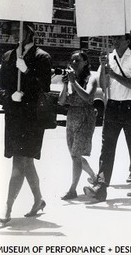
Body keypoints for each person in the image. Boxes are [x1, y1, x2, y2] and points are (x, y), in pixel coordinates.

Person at [0, 22, 51, 225]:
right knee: (26, 162)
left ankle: (7, 208)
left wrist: (27, 71)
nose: (14, 35)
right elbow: (0, 86)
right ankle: (38, 200)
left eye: (18, 31)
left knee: (19, 160)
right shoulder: (8, 56)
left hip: (32, 117)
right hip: (14, 114)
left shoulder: (42, 57)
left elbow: (44, 87)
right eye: (12, 32)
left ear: (29, 32)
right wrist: (10, 96)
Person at [83, 33, 131, 201]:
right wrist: (103, 67)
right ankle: (101, 187)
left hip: (130, 106)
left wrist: (115, 75)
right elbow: (103, 86)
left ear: (128, 40)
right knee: (107, 148)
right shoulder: (108, 58)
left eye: (118, 38)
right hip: (112, 105)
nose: (114, 41)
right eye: (114, 38)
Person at [58, 51, 97, 200]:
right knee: (75, 155)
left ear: (85, 62)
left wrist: (74, 82)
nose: (73, 63)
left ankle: (72, 189)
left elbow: (88, 97)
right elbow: (62, 101)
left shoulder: (91, 78)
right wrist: (66, 84)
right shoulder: (71, 79)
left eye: (77, 60)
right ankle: (93, 176)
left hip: (85, 117)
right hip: (72, 116)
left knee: (76, 155)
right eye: (72, 60)